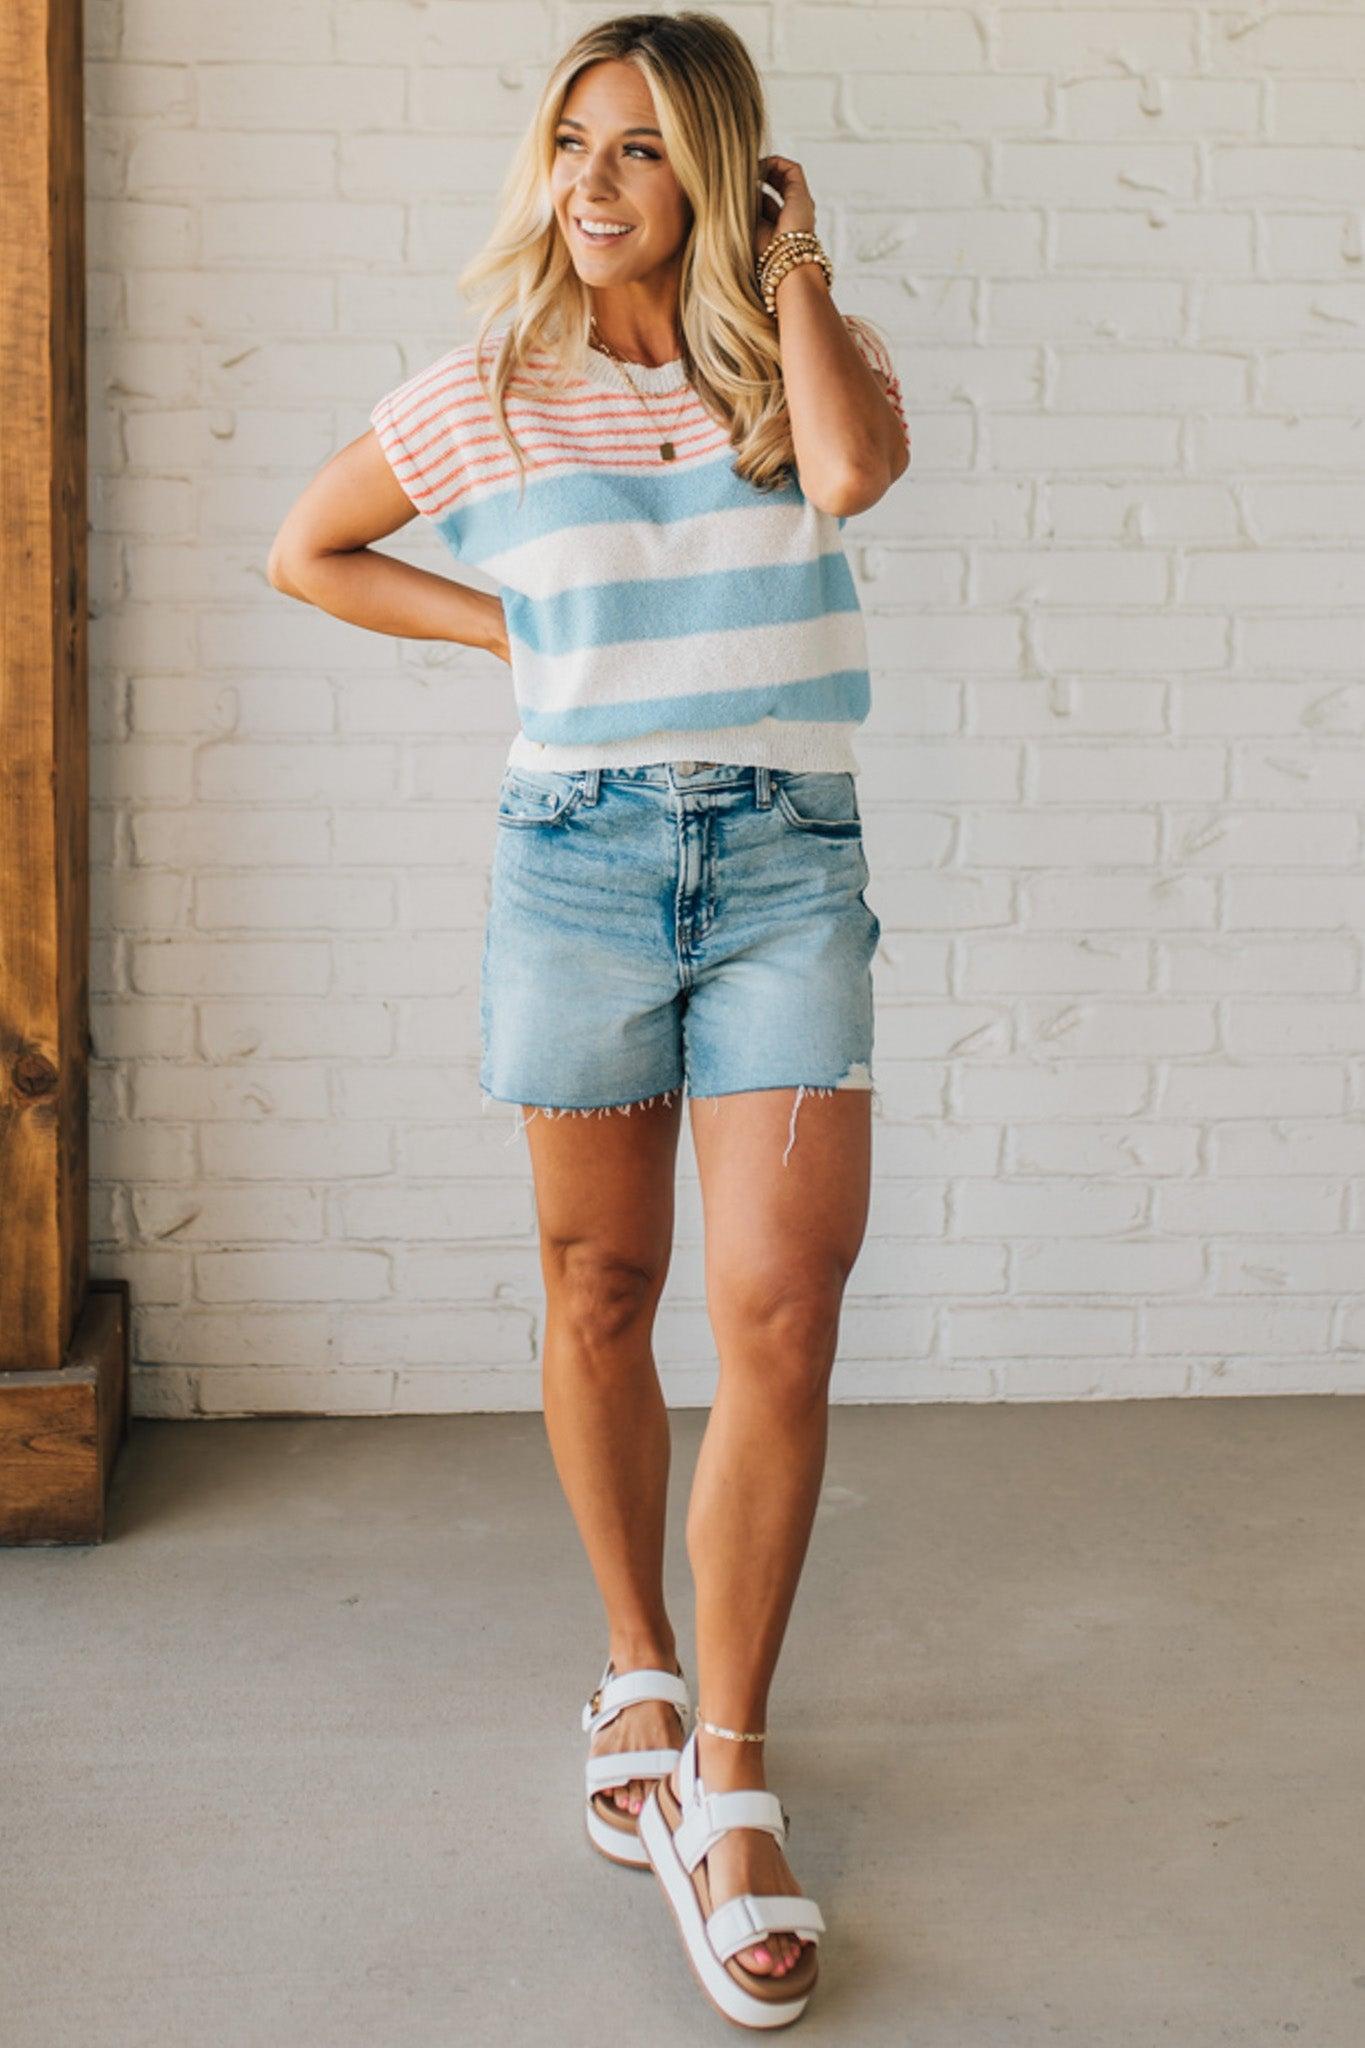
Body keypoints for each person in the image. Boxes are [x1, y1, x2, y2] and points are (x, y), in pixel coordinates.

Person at [268, 9, 909, 2029]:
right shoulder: (484, 394)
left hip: (785, 864)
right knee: (600, 1285)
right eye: (569, 142)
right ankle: (635, 1667)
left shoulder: (787, 367)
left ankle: (725, 1779)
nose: (591, 181)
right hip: (576, 864)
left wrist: (792, 270)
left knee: (783, 1310)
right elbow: (310, 551)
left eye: (639, 148)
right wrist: (518, 631)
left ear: (717, 170)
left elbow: (853, 471)